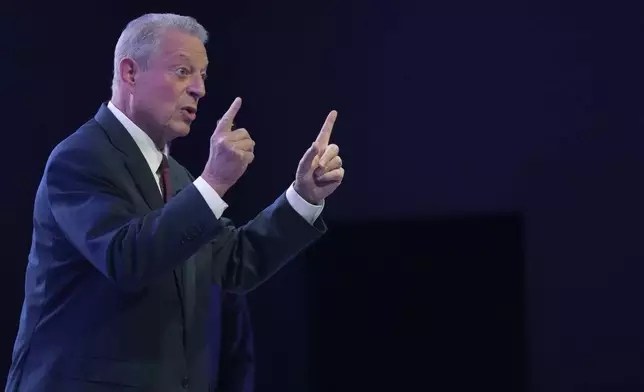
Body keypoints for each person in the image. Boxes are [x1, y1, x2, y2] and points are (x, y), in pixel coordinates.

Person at [5, 12, 344, 392]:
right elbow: (126, 257)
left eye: (202, 76)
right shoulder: (81, 157)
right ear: (131, 73)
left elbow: (233, 263)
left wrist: (303, 198)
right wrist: (215, 181)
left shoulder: (177, 177)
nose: (199, 88)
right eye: (183, 71)